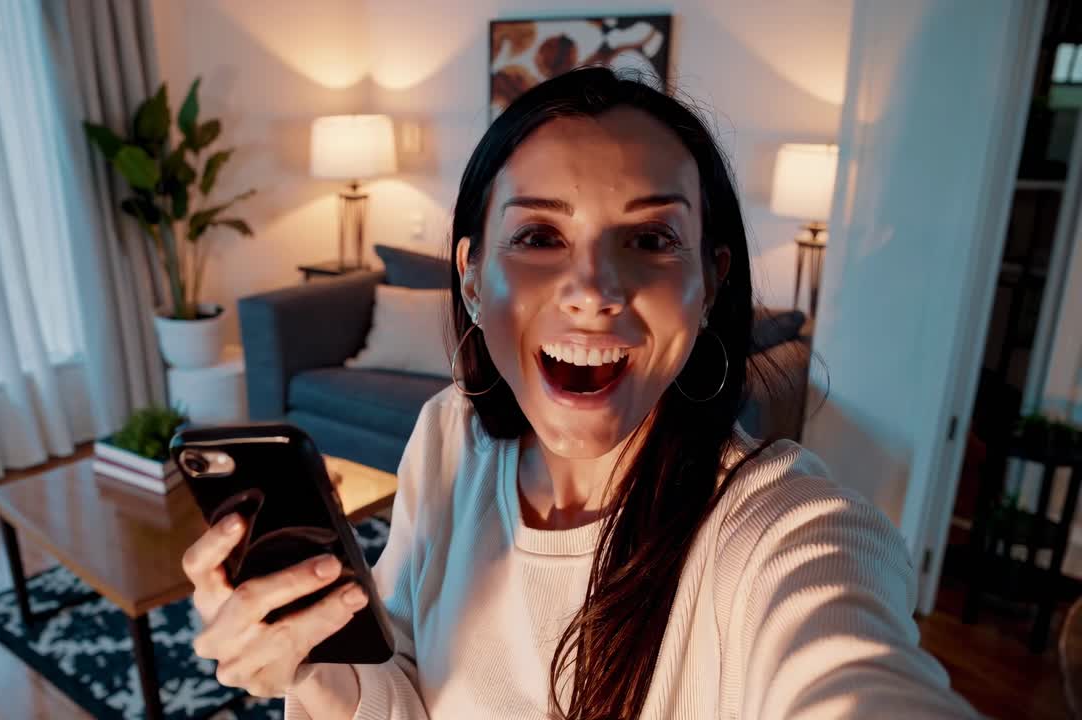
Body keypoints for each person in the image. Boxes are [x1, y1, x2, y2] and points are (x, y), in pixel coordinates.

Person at [181, 67, 979, 719]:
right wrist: (312, 666)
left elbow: (855, 676)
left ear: (710, 283)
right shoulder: (448, 437)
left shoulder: (786, 527)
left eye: (651, 239)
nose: (593, 289)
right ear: (468, 275)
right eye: (538, 237)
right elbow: (401, 685)